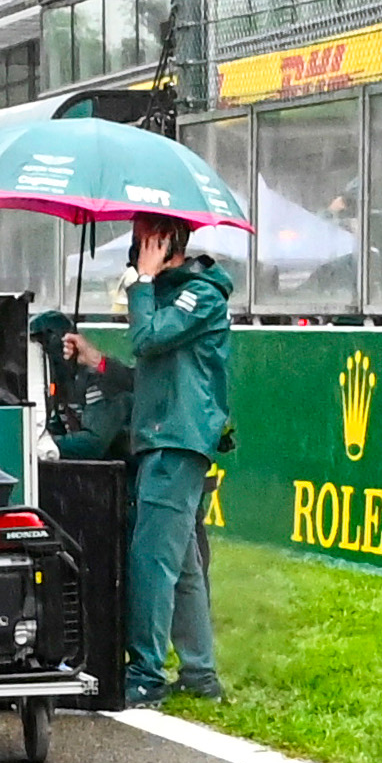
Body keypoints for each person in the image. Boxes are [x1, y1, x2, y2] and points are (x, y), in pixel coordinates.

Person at [115, 213, 232, 708]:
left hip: (177, 440)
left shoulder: (199, 295)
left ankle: (144, 673)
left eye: (143, 242)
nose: (136, 251)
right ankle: (200, 673)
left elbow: (148, 340)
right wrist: (97, 362)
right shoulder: (169, 295)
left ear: (163, 242)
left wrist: (142, 282)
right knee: (181, 564)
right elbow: (152, 364)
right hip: (163, 436)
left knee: (151, 561)